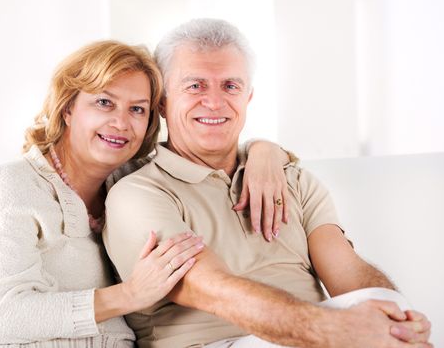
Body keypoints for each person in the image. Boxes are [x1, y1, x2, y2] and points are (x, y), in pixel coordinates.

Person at [103, 19, 433, 348]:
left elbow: (347, 270)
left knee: (385, 308)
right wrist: (332, 330)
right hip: (220, 342)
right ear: (162, 101)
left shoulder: (294, 179)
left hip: (318, 333)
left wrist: (397, 318)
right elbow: (214, 290)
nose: (215, 102)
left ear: (248, 96)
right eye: (196, 86)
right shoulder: (138, 194)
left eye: (230, 85)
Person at [0, 40, 292, 347]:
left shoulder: (134, 178)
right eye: (104, 102)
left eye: (137, 109)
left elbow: (206, 149)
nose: (121, 123)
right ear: (68, 108)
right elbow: (5, 318)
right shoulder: (10, 184)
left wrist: (265, 152)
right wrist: (129, 295)